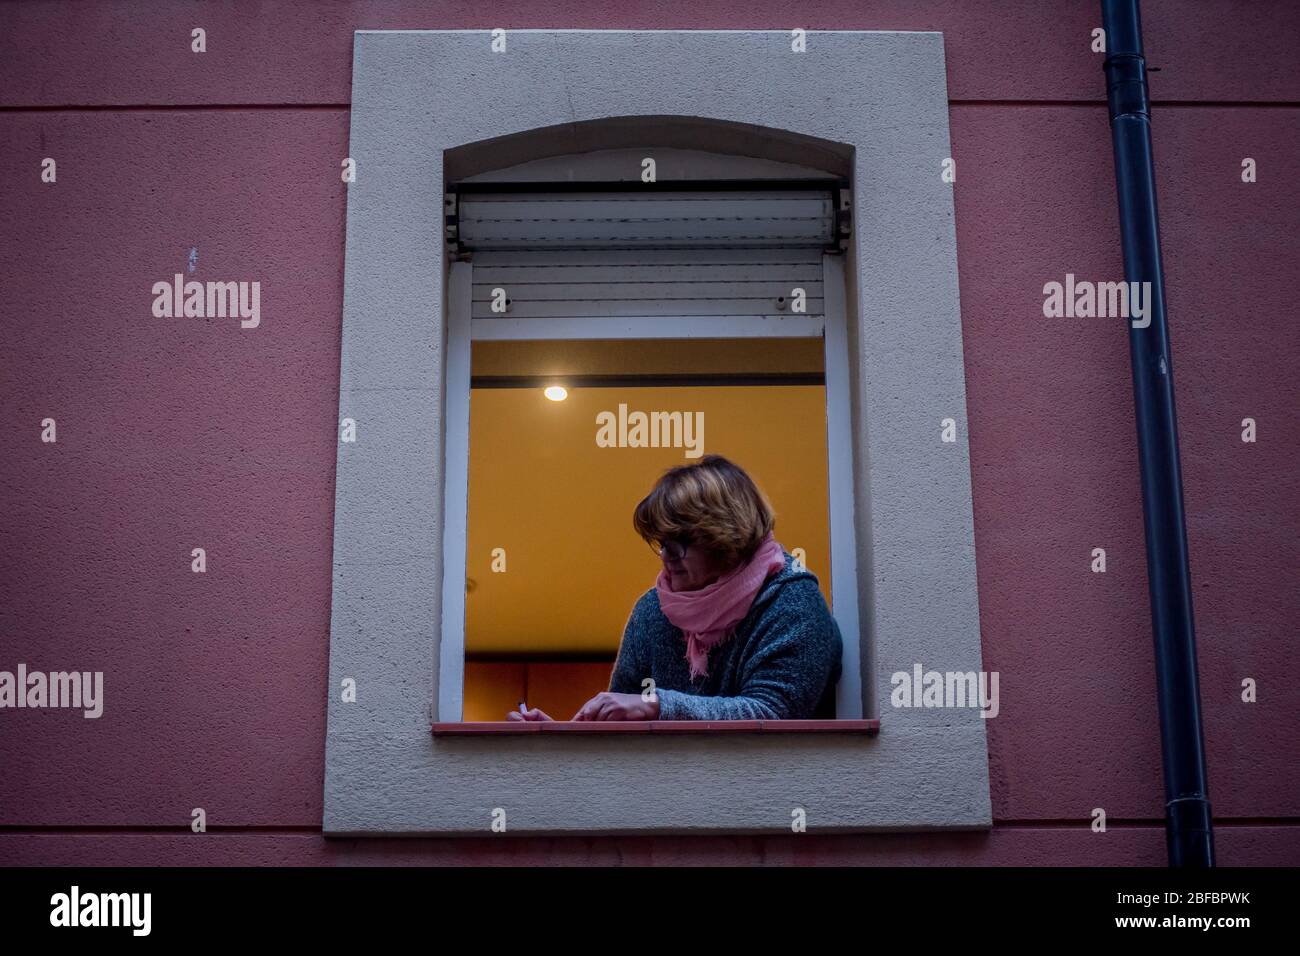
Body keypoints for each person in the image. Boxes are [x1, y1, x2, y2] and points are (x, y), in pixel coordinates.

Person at [507, 454, 842, 722]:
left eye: (680, 541)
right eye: (661, 542)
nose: (665, 555)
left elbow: (772, 715)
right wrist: (559, 741)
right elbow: (619, 725)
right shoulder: (652, 611)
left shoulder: (792, 601)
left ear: (725, 536)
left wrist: (656, 705)